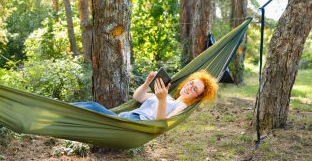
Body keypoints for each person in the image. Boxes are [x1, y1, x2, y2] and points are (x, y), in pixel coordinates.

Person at [72, 70, 218, 120]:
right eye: (190, 83)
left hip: (137, 125)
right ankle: (57, 110)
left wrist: (161, 100)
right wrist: (148, 81)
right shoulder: (166, 96)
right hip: (124, 117)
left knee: (92, 106)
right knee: (92, 107)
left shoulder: (181, 105)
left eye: (194, 89)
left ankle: (54, 113)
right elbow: (138, 97)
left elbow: (162, 123)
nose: (189, 87)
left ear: (197, 96)